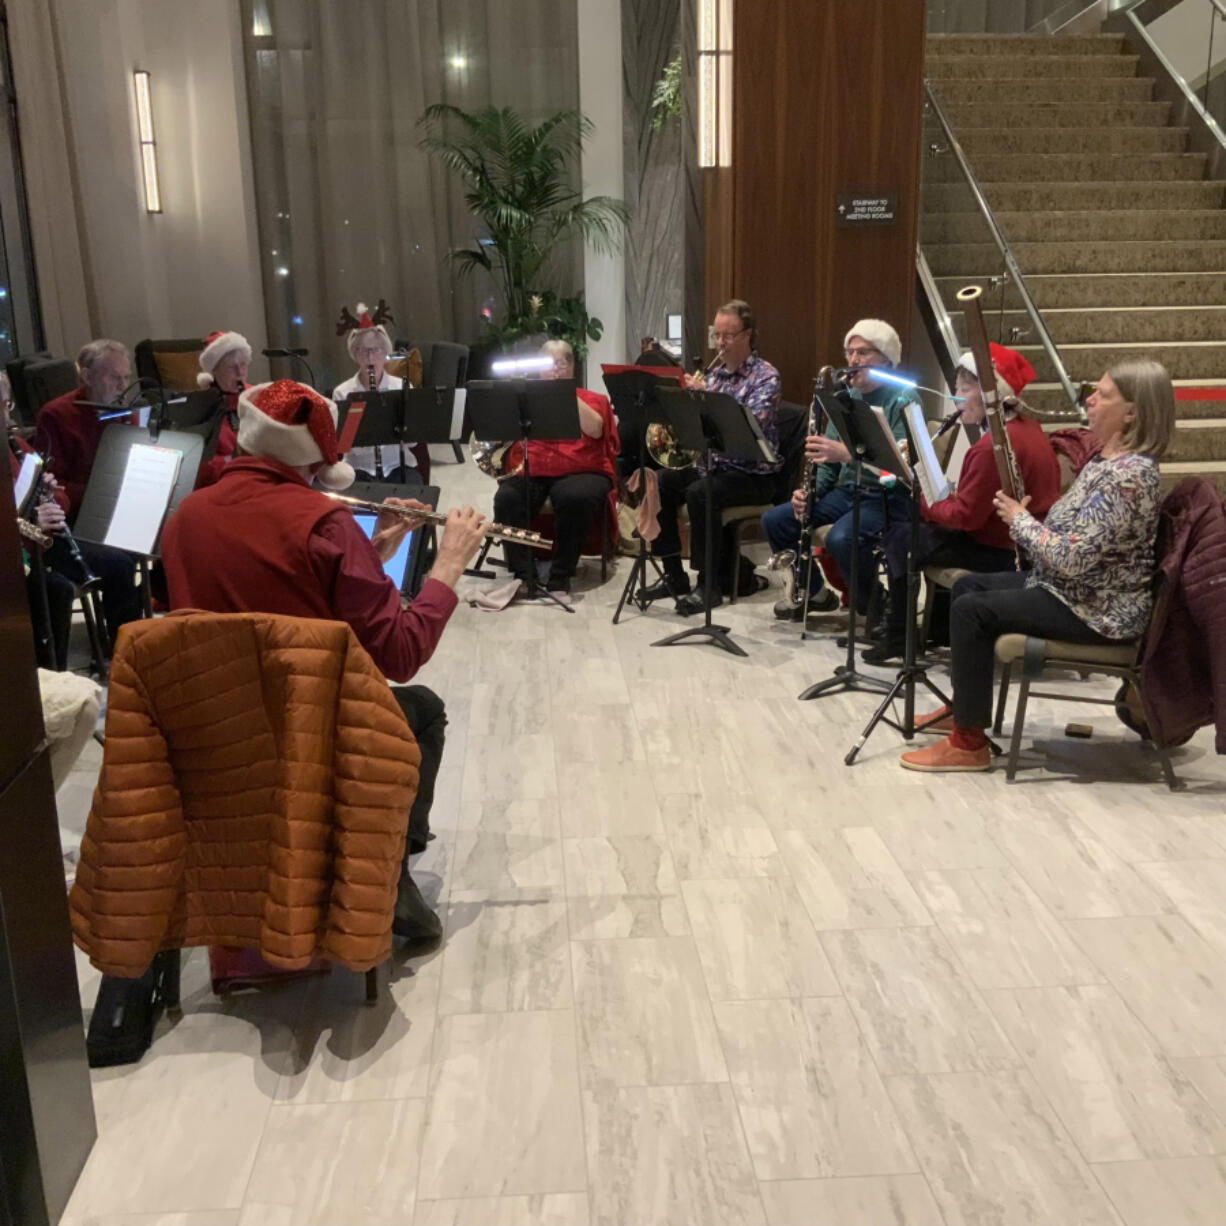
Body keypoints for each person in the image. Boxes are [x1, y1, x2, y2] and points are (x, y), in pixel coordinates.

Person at [161, 379, 487, 939]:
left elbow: (257, 601)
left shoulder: (186, 517)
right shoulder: (327, 524)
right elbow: (401, 653)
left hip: (212, 730)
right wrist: (449, 565)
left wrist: (370, 553)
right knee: (423, 709)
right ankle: (389, 878)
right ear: (317, 459)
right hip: (308, 730)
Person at [901, 360, 1175, 772]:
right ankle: (965, 710)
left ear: (1132, 411)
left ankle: (969, 743)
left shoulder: (1129, 476)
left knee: (970, 611)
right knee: (968, 588)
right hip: (1073, 591)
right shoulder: (1108, 460)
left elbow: (1073, 557)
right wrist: (1033, 523)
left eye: (1103, 394)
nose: (1090, 400)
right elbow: (1076, 536)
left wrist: (1021, 522)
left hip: (1097, 611)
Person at [864, 342, 1061, 664]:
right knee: (921, 536)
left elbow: (965, 517)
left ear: (990, 394)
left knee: (902, 537)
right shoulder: (1027, 428)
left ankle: (899, 636)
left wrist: (922, 495)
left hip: (1004, 551)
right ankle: (938, 627)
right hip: (1018, 543)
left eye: (964, 389)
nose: (956, 398)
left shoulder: (990, 448)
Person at [761, 320, 917, 625]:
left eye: (863, 352)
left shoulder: (904, 398)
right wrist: (810, 493)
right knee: (776, 521)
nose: (853, 360)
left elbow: (902, 462)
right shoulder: (846, 398)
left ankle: (873, 603)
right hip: (847, 492)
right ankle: (815, 593)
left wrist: (848, 454)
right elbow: (826, 458)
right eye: (849, 352)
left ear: (885, 358)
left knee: (842, 538)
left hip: (886, 495)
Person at [648, 299, 782, 613]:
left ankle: (708, 586)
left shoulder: (766, 377)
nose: (720, 343)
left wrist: (708, 397)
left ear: (747, 334)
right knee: (663, 481)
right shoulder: (717, 374)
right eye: (717, 335)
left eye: (728, 335)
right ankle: (673, 575)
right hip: (717, 466)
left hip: (755, 473)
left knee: (699, 493)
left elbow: (749, 427)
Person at [32, 339, 142, 640]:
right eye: (113, 377)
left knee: (176, 536)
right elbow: (49, 485)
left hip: (116, 513)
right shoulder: (56, 415)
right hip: (75, 523)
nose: (122, 386)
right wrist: (102, 491)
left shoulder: (122, 411)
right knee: (118, 563)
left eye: (126, 377)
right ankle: (124, 645)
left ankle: (152, 629)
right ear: (87, 377)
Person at [492, 339, 619, 596]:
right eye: (549, 365)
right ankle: (524, 575)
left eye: (561, 364)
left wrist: (564, 392)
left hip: (583, 470)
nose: (555, 370)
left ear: (572, 367)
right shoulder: (529, 401)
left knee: (574, 497)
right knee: (507, 498)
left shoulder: (591, 398)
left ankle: (560, 576)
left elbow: (595, 428)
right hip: (536, 469)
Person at [6, 372, 74, 668]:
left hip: (27, 551)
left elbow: (62, 498)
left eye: (4, 404)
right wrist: (31, 517)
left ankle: (52, 675)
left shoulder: (16, 445)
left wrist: (48, 495)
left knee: (57, 589)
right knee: (54, 590)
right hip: (12, 555)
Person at [332, 301, 420, 484]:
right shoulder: (342, 392)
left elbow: (413, 442)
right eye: (363, 351)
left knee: (415, 496)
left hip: (398, 465)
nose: (371, 358)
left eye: (377, 350)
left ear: (386, 353)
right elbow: (343, 445)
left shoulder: (401, 386)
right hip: (358, 468)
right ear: (355, 355)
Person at [193, 329, 251, 488]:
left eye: (243, 365)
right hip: (224, 486)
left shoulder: (255, 396)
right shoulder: (200, 407)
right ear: (214, 370)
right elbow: (199, 467)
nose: (240, 373)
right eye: (232, 367)